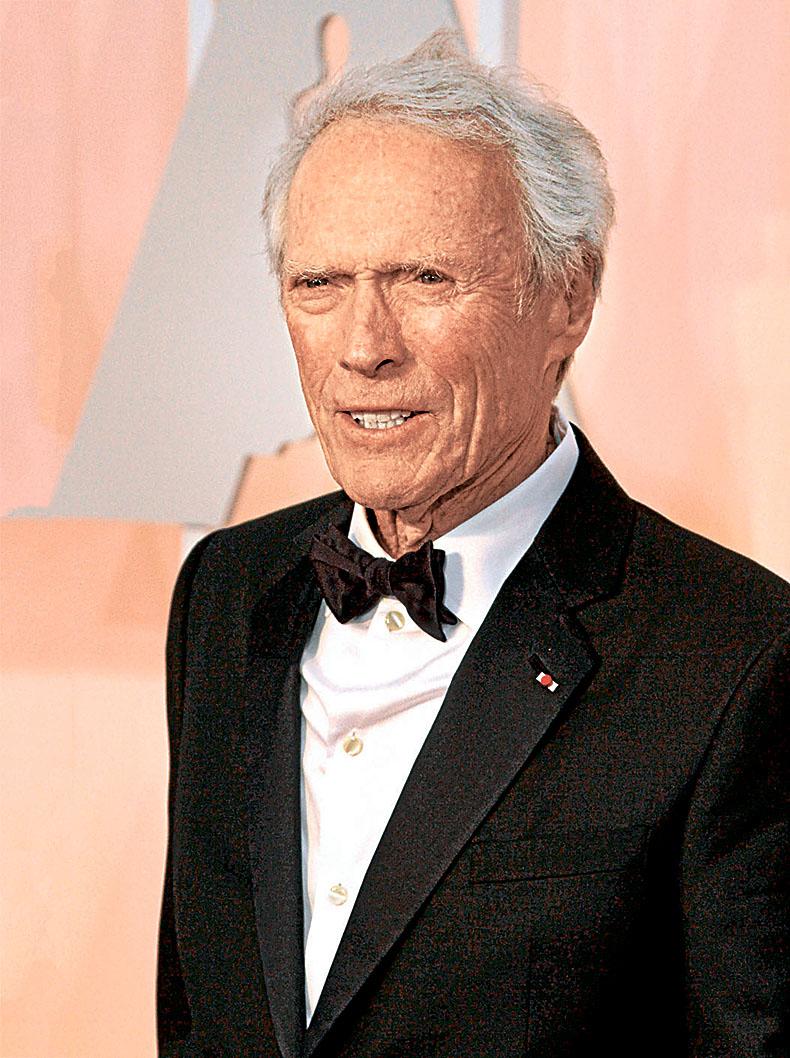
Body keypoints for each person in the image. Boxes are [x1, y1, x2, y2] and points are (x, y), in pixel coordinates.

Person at [156, 31, 788, 1058]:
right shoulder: (224, 593)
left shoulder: (734, 655)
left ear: (568, 297)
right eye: (318, 284)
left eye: (424, 278)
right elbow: (199, 1014)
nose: (364, 346)